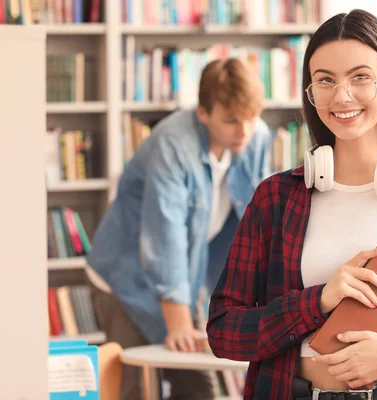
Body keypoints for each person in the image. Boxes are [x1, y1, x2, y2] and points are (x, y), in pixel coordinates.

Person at [207, 9, 377, 400]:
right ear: (310, 92)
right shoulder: (275, 198)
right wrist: (319, 300)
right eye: (325, 81)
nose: (341, 96)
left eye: (360, 77)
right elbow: (225, 332)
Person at [85, 58, 273, 400]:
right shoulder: (172, 144)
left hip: (188, 277)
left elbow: (259, 219)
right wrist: (179, 325)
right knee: (135, 389)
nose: (244, 130)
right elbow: (164, 235)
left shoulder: (255, 136)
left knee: (198, 388)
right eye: (231, 120)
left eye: (251, 117)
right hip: (126, 279)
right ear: (203, 112)